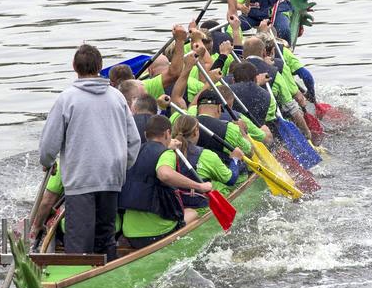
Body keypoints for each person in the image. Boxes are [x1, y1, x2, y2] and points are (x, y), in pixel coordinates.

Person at [39, 44, 141, 259]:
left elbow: (49, 142)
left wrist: (47, 161)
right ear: (100, 67)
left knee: (79, 239)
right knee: (106, 235)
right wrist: (122, 167)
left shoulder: (67, 98)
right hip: (111, 176)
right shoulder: (117, 97)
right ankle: (107, 271)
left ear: (74, 66)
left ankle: (76, 276)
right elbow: (134, 141)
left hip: (81, 177)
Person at [119, 115, 212, 249]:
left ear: (146, 134)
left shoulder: (134, 152)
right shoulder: (166, 154)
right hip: (157, 233)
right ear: (168, 133)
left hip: (129, 233)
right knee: (193, 213)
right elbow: (165, 174)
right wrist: (199, 186)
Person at [170, 115, 242, 203]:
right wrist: (235, 159)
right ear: (196, 132)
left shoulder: (164, 152)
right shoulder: (206, 156)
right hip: (198, 208)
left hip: (172, 205)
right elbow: (230, 180)